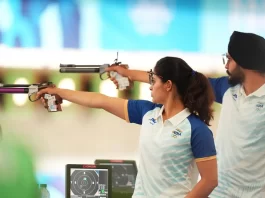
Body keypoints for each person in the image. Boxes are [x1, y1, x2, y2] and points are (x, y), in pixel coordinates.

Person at [107, 31, 265, 198]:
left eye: (230, 59)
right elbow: (177, 79)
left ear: (244, 63)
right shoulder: (227, 87)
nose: (226, 66)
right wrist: (129, 74)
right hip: (218, 193)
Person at [37, 56, 218, 197]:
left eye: (153, 81)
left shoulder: (197, 130)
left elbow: (210, 181)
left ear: (168, 85)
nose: (150, 87)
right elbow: (100, 100)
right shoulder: (147, 112)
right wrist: (59, 92)